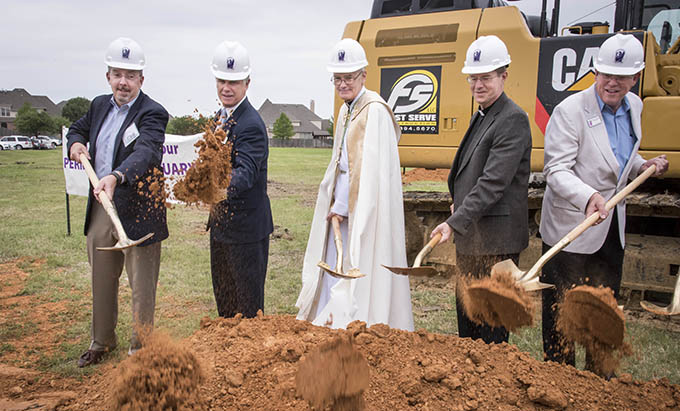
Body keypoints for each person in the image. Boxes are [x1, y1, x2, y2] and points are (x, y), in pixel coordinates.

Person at [539, 34, 668, 371]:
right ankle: (558, 379)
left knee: (603, 313)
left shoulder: (634, 106)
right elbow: (555, 170)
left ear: (635, 77)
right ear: (595, 71)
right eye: (605, 74)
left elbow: (616, 156)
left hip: (612, 231)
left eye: (621, 76)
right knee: (562, 316)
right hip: (571, 229)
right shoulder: (570, 111)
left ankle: (599, 385)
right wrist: (588, 197)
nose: (612, 83)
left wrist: (643, 165)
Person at [296, 39, 413, 331]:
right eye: (338, 78)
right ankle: (335, 321)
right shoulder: (346, 111)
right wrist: (334, 203)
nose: (343, 83)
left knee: (363, 263)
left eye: (349, 77)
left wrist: (341, 207)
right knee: (338, 265)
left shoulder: (373, 110)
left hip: (365, 214)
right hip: (344, 211)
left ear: (363, 75)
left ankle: (365, 321)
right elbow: (341, 166)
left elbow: (368, 174)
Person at [67, 37, 169, 367]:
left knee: (141, 285)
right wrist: (76, 142)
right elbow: (78, 129)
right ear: (108, 76)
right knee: (101, 276)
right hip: (102, 209)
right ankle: (101, 342)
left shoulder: (152, 113)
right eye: (117, 74)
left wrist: (117, 176)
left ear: (141, 79)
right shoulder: (98, 105)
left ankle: (140, 347)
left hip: (138, 210)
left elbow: (146, 152)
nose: (123, 82)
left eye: (130, 75)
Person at [430, 35, 531, 344]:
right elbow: (470, 173)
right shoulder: (483, 114)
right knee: (469, 325)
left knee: (492, 330)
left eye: (485, 77)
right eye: (473, 78)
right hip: (473, 239)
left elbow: (493, 182)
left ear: (504, 75)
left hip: (496, 243)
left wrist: (455, 220)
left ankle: (491, 388)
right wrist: (457, 205)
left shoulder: (512, 119)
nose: (477, 85)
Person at [207, 40, 273, 319]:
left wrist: (207, 187)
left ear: (247, 83)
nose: (226, 87)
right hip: (221, 226)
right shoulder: (216, 120)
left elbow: (245, 175)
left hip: (246, 231)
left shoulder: (251, 125)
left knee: (247, 310)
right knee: (225, 303)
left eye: (234, 81)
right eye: (222, 80)